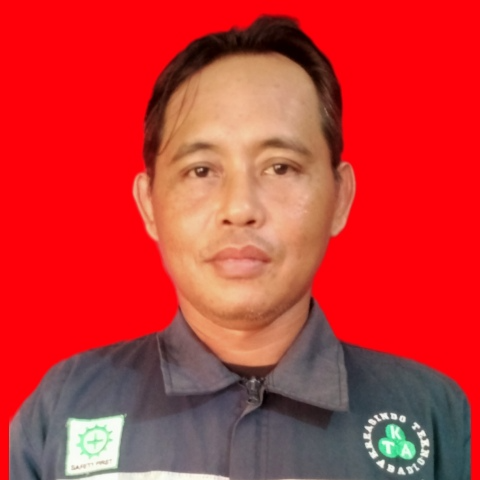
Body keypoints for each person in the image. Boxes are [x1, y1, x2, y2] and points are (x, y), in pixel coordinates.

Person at [10, 15, 470, 480]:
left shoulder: (431, 412)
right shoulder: (64, 407)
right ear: (149, 204)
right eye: (201, 170)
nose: (240, 208)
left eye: (280, 167)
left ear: (340, 198)